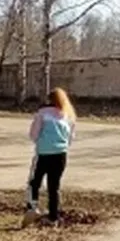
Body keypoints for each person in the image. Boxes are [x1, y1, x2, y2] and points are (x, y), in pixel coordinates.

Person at [23, 87, 76, 228]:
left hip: (44, 153)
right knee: (54, 186)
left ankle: (32, 207)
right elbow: (71, 137)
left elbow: (33, 134)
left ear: (49, 99)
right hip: (61, 155)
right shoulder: (68, 115)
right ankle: (53, 217)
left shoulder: (42, 113)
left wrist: (42, 142)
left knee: (34, 181)